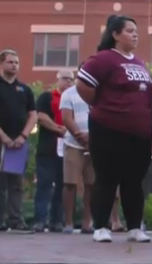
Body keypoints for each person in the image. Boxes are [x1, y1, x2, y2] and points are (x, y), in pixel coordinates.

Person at [76, 15, 152, 243]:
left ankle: (134, 228)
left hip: (139, 133)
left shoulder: (139, 63)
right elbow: (83, 85)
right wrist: (103, 106)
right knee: (107, 178)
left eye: (136, 31)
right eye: (129, 30)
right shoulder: (104, 59)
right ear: (115, 34)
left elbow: (143, 93)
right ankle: (101, 226)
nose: (135, 34)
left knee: (134, 180)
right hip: (108, 129)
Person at [0, 49, 37, 231]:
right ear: (1, 63)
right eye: (10, 62)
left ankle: (16, 220)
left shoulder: (24, 89)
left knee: (16, 182)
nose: (14, 65)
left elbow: (32, 115)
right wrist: (2, 136)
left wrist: (23, 136)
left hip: (19, 142)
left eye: (17, 62)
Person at [34, 70, 74, 233]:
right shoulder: (47, 97)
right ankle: (40, 220)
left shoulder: (73, 99)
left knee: (62, 185)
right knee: (44, 184)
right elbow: (41, 117)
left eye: (71, 80)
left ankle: (56, 220)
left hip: (67, 148)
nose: (68, 82)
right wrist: (60, 129)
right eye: (65, 79)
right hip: (48, 147)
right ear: (57, 79)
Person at [59, 65, 94, 234]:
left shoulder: (99, 93)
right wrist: (80, 135)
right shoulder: (69, 93)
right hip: (73, 143)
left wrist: (92, 137)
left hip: (95, 144)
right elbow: (66, 118)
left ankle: (87, 222)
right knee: (70, 183)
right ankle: (68, 223)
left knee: (91, 184)